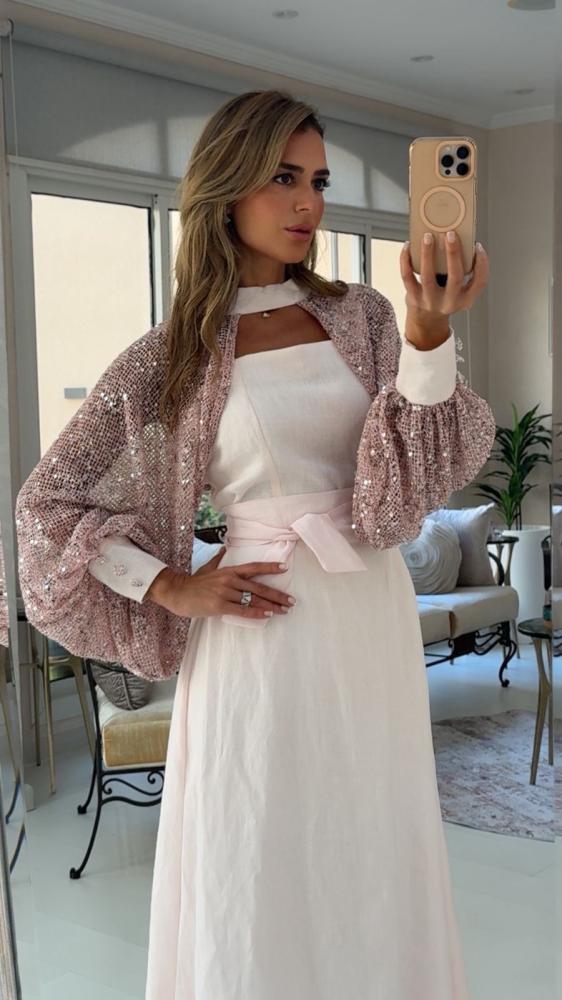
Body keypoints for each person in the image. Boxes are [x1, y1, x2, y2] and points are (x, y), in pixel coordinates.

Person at [16, 89, 496, 999]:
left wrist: (430, 331)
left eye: (318, 180)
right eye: (283, 177)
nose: (308, 202)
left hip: (367, 611)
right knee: (257, 847)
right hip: (256, 634)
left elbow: (419, 464)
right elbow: (47, 506)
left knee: (373, 836)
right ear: (226, 186)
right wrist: (169, 584)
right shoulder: (171, 355)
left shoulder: (363, 318)